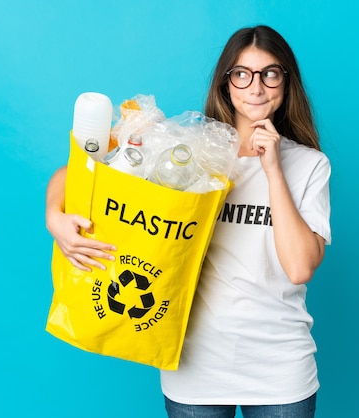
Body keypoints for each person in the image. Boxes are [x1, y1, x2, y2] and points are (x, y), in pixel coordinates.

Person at [45, 25, 331, 418]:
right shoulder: (194, 153)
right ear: (226, 84)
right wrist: (53, 217)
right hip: (195, 362)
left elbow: (299, 267)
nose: (257, 87)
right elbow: (77, 171)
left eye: (271, 73)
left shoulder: (309, 165)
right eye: (242, 74)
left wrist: (273, 172)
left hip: (279, 366)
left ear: (286, 82)